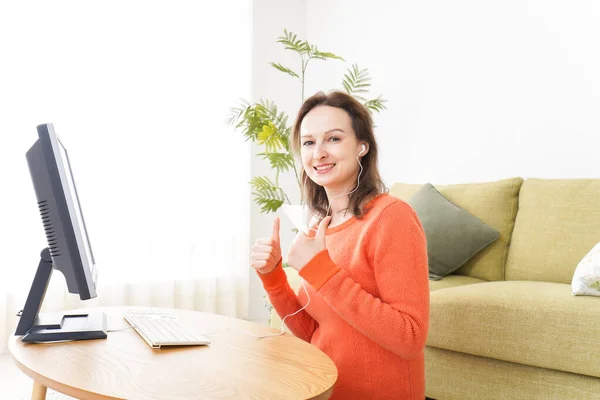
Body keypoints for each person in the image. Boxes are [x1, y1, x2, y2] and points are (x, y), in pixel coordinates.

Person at [251, 90, 430, 400]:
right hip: (325, 390)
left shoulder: (392, 216)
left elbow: (409, 337)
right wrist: (273, 275)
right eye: (308, 142)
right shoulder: (321, 227)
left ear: (362, 146)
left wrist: (322, 270)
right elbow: (314, 332)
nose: (318, 153)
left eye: (333, 139)